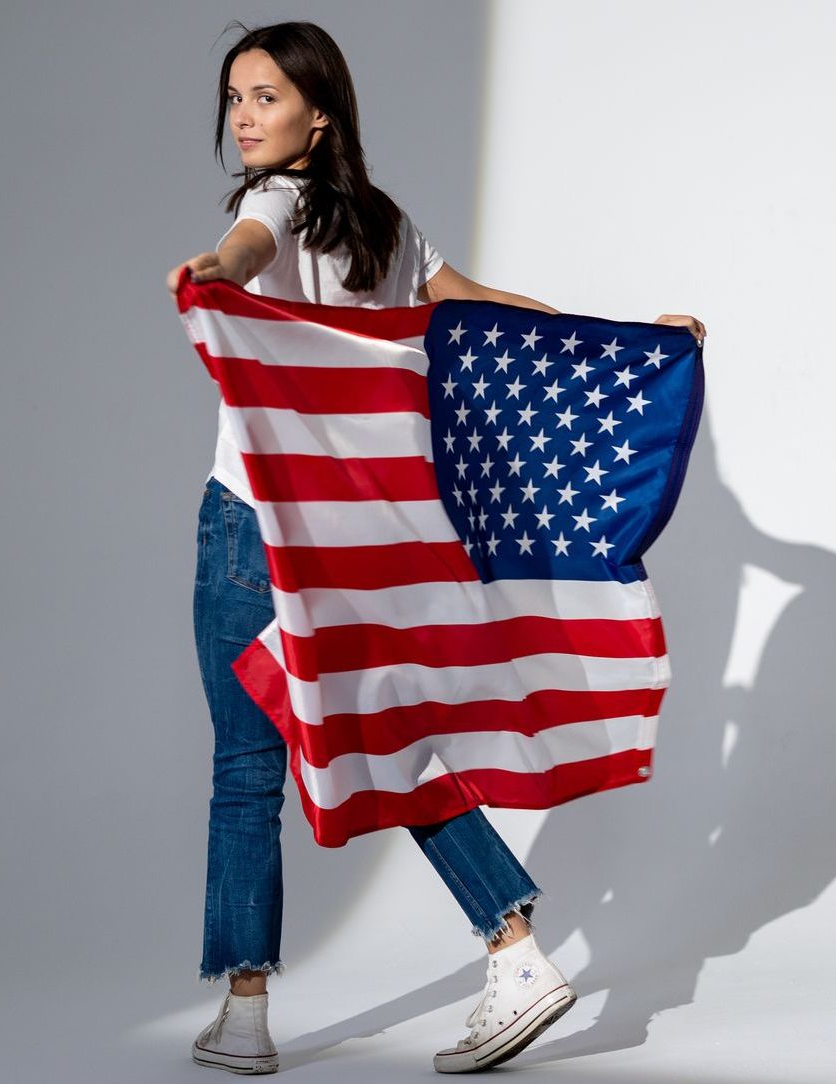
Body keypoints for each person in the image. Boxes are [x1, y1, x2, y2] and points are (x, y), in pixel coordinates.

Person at [162, 20, 705, 1077]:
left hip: (254, 523)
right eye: (234, 98)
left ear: (320, 111)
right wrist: (628, 341)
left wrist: (214, 264)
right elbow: (488, 312)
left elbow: (252, 246)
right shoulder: (387, 228)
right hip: (359, 536)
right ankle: (514, 951)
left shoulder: (270, 207)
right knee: (394, 737)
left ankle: (245, 1013)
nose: (243, 116)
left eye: (265, 97)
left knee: (245, 769)